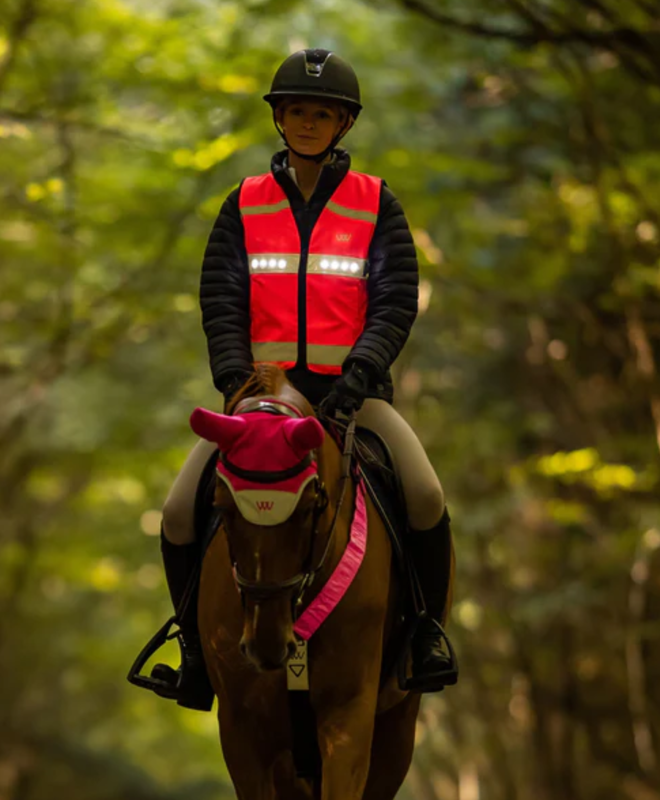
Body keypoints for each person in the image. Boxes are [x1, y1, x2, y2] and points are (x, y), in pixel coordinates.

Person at [151, 49, 453, 710]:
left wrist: (359, 377)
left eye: (323, 113)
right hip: (261, 404)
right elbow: (220, 300)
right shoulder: (244, 204)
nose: (309, 123)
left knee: (425, 494)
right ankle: (195, 653)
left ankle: (424, 636)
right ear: (280, 119)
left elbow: (395, 300)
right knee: (178, 512)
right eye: (297, 112)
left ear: (343, 123)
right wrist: (236, 382)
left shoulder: (378, 203)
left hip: (354, 401)